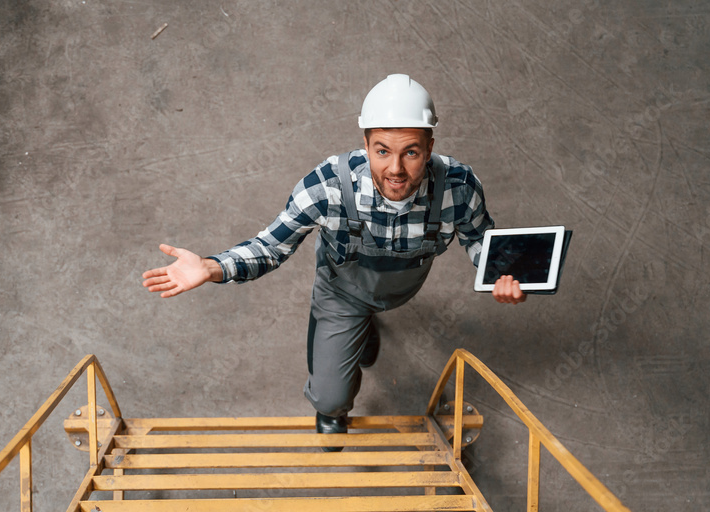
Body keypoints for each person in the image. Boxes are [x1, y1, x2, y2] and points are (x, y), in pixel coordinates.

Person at [142, 74, 525, 444]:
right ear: (366, 143)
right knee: (330, 395)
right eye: (382, 151)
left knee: (367, 328)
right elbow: (272, 246)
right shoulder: (327, 186)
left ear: (429, 146)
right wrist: (213, 266)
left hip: (399, 291)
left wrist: (502, 274)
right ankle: (331, 409)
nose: (395, 169)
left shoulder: (458, 187)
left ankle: (365, 328)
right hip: (342, 294)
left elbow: (480, 239)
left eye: (411, 152)